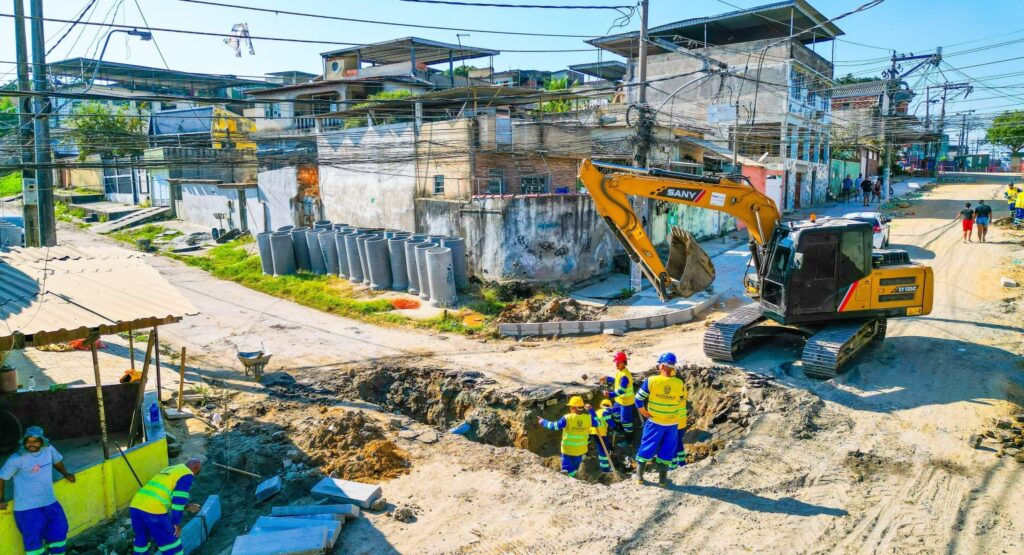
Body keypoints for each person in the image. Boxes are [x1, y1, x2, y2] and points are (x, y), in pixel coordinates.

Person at [0, 426, 76, 555]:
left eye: (35, 441)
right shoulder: (16, 459)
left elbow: (57, 461)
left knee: (58, 531)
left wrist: (66, 473)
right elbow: (1, 477)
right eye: (28, 441)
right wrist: (0, 500)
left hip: (49, 501)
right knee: (34, 541)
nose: (31, 444)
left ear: (42, 441)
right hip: (27, 508)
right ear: (24, 442)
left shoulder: (49, 449)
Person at [129, 458, 203, 555]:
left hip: (135, 505)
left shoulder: (172, 469)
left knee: (142, 540)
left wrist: (186, 506)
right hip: (153, 509)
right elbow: (178, 501)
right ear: (196, 468)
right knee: (171, 542)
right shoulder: (187, 474)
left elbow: (165, 494)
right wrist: (176, 523)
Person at [634, 353, 686, 487]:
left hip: (654, 423)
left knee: (647, 447)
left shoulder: (651, 381)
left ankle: (639, 478)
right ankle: (662, 481)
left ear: (662, 366)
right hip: (672, 425)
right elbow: (681, 401)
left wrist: (643, 411)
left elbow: (638, 399)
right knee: (667, 451)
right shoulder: (679, 383)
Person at [538, 396, 598, 478]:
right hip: (580, 451)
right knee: (575, 468)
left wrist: (543, 422)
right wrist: (591, 411)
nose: (570, 408)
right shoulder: (588, 419)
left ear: (573, 408)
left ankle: (570, 479)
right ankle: (574, 477)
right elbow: (598, 423)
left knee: (567, 470)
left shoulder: (567, 418)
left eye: (570, 407)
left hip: (567, 451)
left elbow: (554, 426)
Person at [601, 352, 636, 439]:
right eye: (616, 362)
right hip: (619, 400)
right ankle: (619, 431)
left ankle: (629, 440)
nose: (616, 364)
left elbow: (622, 390)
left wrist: (610, 394)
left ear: (624, 362)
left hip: (626, 402)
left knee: (626, 421)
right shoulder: (620, 371)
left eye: (618, 362)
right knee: (616, 415)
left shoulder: (624, 375)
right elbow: (617, 380)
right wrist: (607, 378)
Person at [590, 399, 617, 473]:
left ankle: (604, 467)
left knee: (604, 446)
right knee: (603, 450)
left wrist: (609, 445)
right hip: (600, 432)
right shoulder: (606, 411)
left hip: (594, 430)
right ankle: (605, 469)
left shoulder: (598, 411)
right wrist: (615, 426)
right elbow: (608, 420)